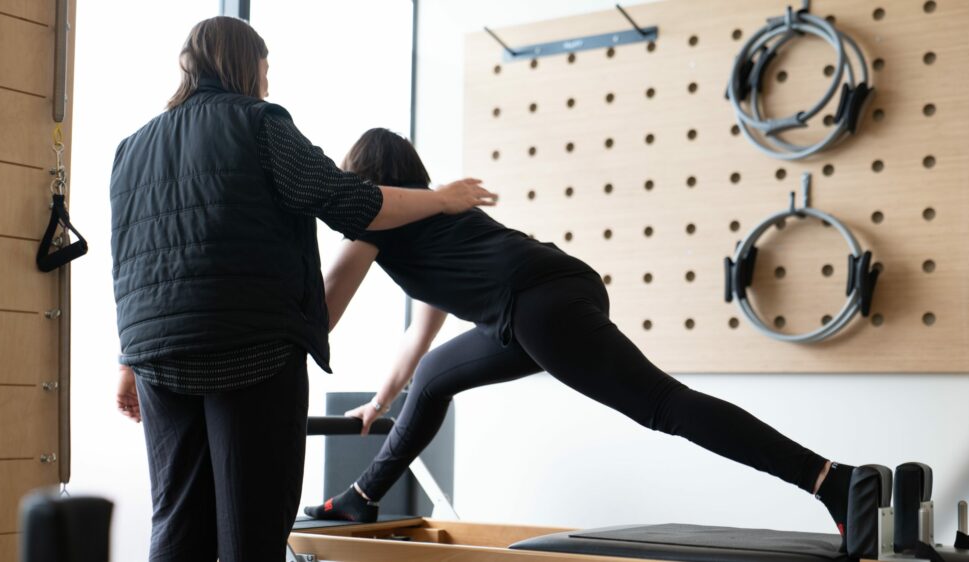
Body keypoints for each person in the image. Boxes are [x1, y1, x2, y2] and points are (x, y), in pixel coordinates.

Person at [304, 128, 857, 545]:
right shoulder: (438, 228)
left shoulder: (379, 217)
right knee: (431, 380)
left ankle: (828, 479)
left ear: (364, 177)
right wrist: (378, 403)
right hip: (549, 294)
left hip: (537, 304)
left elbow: (330, 294)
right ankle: (361, 498)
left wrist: (281, 336)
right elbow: (418, 342)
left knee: (663, 404)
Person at [110, 17, 496, 562]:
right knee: (252, 525)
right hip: (252, 345)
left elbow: (130, 258)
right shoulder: (259, 122)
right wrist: (439, 198)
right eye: (266, 67)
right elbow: (349, 200)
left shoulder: (131, 148)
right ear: (246, 63)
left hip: (157, 355)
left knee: (177, 521)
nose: (268, 80)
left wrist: (128, 360)